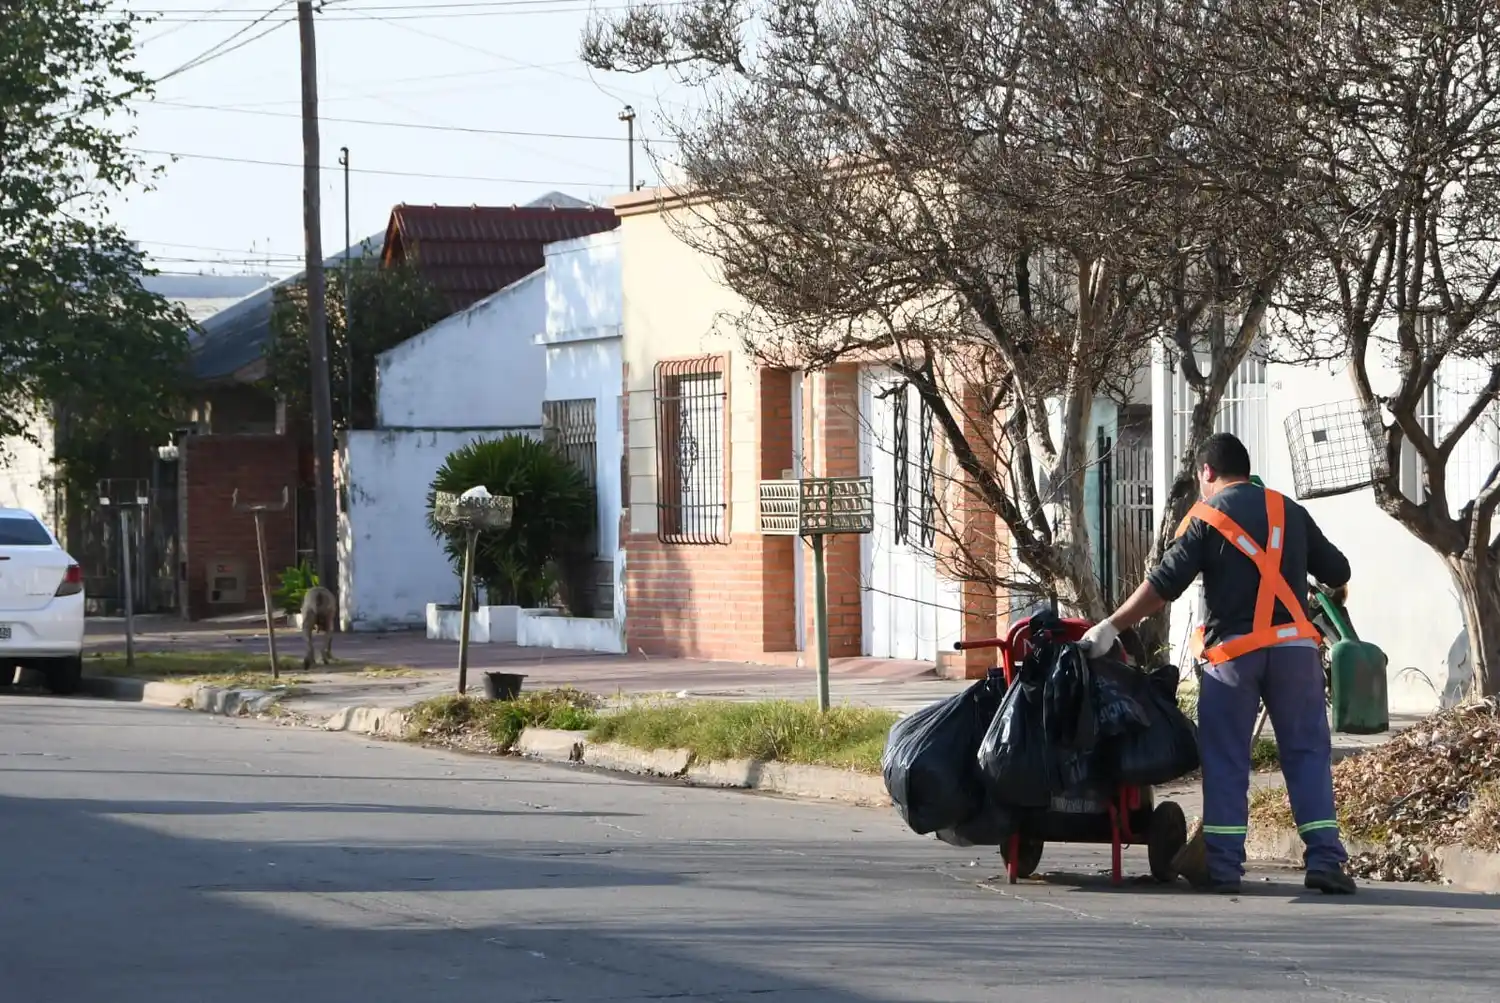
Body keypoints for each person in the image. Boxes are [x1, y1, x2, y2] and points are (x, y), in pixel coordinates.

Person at [1078, 432, 1356, 895]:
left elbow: (1163, 585)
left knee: (1227, 760)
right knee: (1308, 754)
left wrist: (1111, 625)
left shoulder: (1205, 516)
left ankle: (1224, 868)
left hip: (1234, 659)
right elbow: (1338, 571)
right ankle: (1326, 860)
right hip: (1295, 655)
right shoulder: (1288, 510)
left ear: (1207, 472)